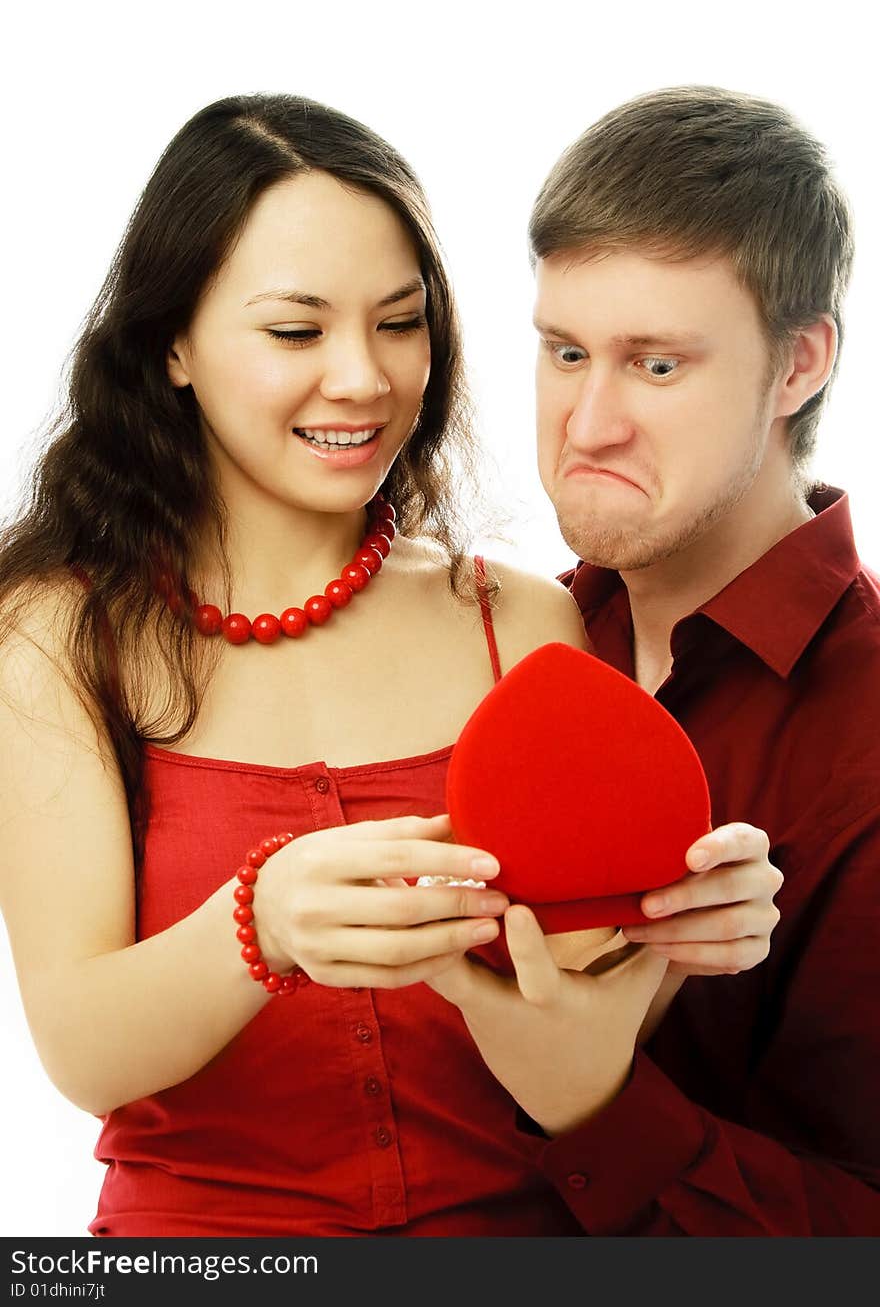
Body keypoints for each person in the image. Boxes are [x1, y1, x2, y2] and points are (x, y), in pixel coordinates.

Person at [0, 93, 780, 1239]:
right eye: (295, 331)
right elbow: (83, 1049)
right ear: (172, 342)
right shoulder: (56, 634)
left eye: (400, 322)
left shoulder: (518, 621)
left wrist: (683, 930)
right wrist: (256, 924)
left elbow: (566, 1019)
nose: (363, 379)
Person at [430, 86, 880, 1235]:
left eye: (657, 365)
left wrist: (597, 1105)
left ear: (797, 367)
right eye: (565, 350)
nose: (586, 423)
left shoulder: (866, 738)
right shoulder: (500, 641)